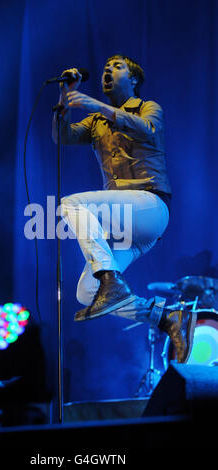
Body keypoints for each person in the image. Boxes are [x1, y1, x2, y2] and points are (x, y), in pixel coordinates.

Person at [52, 55, 196, 363]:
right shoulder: (95, 122)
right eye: (105, 67)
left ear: (133, 80)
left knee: (71, 204)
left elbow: (148, 130)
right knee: (87, 292)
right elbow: (61, 136)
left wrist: (97, 106)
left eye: (116, 67)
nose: (107, 70)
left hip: (150, 206)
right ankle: (166, 318)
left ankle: (112, 279)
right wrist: (64, 97)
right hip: (123, 222)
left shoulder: (148, 108)